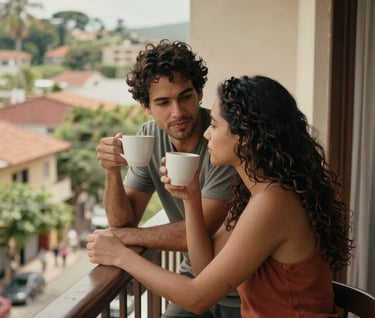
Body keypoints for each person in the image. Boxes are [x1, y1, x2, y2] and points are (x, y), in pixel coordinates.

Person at [88, 75, 354, 317]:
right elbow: (205, 267)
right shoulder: (259, 194)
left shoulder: (274, 203)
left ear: (245, 136)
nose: (206, 133)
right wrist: (191, 200)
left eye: (214, 125)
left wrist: (120, 256)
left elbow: (197, 297)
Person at [94, 39, 240, 317]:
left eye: (185, 96)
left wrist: (121, 240)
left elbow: (202, 230)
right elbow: (123, 219)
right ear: (145, 106)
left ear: (198, 93)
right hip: (193, 279)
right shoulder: (150, 137)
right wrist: (112, 172)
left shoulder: (220, 140)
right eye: (163, 102)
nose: (178, 112)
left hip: (241, 290)